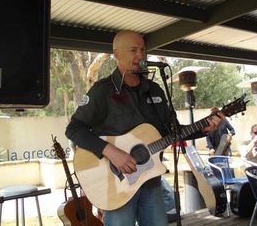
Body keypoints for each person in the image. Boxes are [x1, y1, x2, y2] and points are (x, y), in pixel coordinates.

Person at [65, 30, 224, 226]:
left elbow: (173, 131)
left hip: (150, 181)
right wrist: (112, 152)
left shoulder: (154, 89)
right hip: (116, 185)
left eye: (142, 50)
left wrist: (205, 128)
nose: (140, 55)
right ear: (117, 54)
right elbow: (74, 129)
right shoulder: (102, 91)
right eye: (133, 50)